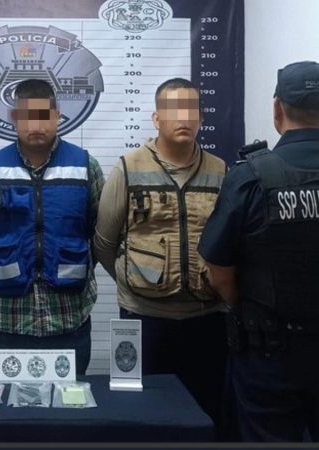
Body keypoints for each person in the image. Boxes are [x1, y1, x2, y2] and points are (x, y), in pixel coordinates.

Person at [93, 78, 227, 429]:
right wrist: (135, 281)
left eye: (191, 110)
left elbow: (229, 243)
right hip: (144, 319)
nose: (183, 117)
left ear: (201, 118)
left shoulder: (220, 171)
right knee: (143, 415)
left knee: (206, 413)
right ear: (156, 118)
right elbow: (104, 243)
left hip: (206, 318)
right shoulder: (128, 168)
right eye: (173, 109)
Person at [199, 61, 319, 442]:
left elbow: (218, 270)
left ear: (277, 110)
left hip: (270, 354)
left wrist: (247, 306)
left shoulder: (250, 176)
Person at [0, 79, 105, 375]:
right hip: (8, 320)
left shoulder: (86, 167)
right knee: (8, 402)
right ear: (14, 118)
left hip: (69, 318)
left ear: (57, 117)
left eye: (43, 116)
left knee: (70, 401)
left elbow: (100, 237)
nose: (35, 124)